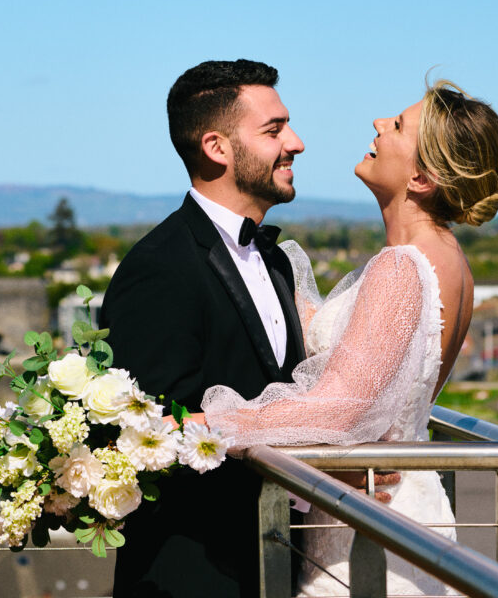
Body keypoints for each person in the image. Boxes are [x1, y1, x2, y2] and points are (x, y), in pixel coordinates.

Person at [202, 79, 498, 597]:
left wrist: (205, 424)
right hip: (405, 508)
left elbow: (337, 410)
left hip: (373, 528)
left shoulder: (401, 266)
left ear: (421, 177)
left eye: (396, 125)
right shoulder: (448, 260)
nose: (377, 123)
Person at [100, 58, 309, 598]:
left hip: (272, 559)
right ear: (218, 148)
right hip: (190, 573)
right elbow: (147, 435)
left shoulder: (277, 259)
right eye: (274, 129)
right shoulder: (160, 267)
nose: (297, 143)